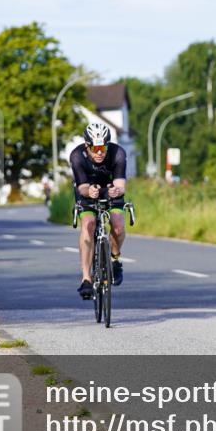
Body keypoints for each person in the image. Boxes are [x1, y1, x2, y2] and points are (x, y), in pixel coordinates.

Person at [71, 122, 128, 299]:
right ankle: (86, 279)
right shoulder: (77, 156)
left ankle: (115, 259)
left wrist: (116, 191)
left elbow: (121, 185)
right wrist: (89, 191)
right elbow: (81, 187)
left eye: (103, 147)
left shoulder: (118, 153)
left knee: (118, 226)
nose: (99, 152)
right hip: (87, 192)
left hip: (111, 191)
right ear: (87, 146)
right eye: (95, 148)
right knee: (88, 225)